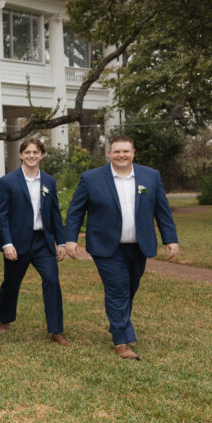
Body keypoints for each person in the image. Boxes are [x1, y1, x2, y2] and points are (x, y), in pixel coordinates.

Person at [65, 135, 179, 360]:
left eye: (125, 151)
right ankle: (122, 342)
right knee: (118, 290)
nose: (121, 155)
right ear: (109, 154)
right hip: (106, 247)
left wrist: (170, 239)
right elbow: (76, 210)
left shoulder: (150, 176)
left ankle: (118, 325)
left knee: (130, 289)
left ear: (133, 153)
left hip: (139, 246)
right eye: (116, 151)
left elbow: (162, 210)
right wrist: (70, 239)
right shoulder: (91, 178)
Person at [0, 138, 69, 345]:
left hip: (42, 242)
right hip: (17, 242)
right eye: (27, 152)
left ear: (42, 155)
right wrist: (6, 243)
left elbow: (55, 214)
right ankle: (5, 319)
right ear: (20, 155)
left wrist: (60, 243)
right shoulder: (8, 181)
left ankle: (56, 330)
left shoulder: (49, 181)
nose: (31, 156)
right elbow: (1, 215)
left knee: (52, 281)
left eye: (35, 152)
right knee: (11, 283)